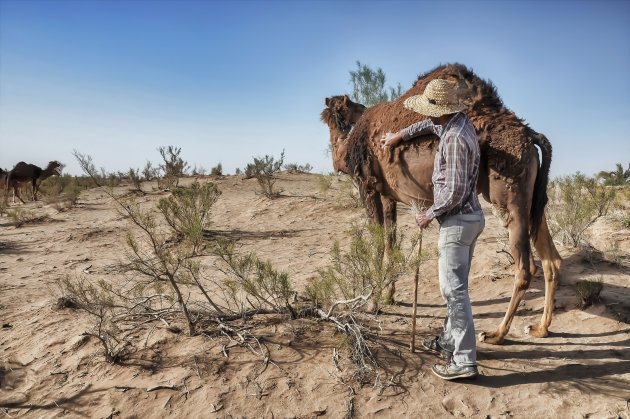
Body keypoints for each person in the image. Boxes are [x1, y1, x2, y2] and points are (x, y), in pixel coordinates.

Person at [380, 78, 485, 381]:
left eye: (430, 110)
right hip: (470, 220)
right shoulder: (457, 125)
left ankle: (464, 361)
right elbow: (428, 126)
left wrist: (429, 214)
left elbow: (452, 192)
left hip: (457, 222)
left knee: (453, 292)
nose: (428, 116)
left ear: (443, 109)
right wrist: (399, 134)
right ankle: (450, 342)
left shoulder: (453, 139)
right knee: (457, 289)